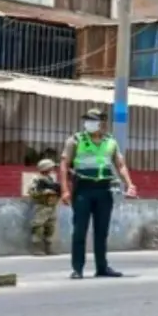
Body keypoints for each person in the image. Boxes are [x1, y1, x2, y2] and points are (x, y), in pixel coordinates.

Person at [59, 108, 136, 279]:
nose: (89, 123)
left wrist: (130, 184)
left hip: (104, 189)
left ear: (102, 123)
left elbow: (120, 165)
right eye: (87, 120)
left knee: (102, 231)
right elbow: (64, 164)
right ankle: (77, 268)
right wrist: (65, 190)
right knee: (80, 229)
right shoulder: (75, 140)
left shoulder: (111, 142)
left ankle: (102, 267)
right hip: (83, 189)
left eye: (93, 120)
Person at [27, 158, 61, 255]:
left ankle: (49, 248)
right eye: (50, 167)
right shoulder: (37, 179)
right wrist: (44, 192)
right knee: (38, 227)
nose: (52, 169)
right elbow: (32, 191)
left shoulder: (51, 179)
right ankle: (37, 249)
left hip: (51, 206)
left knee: (50, 227)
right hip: (42, 206)